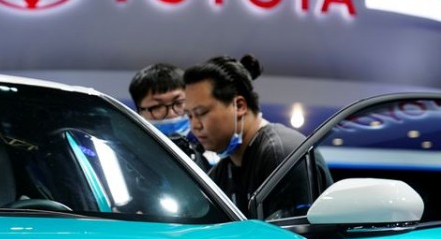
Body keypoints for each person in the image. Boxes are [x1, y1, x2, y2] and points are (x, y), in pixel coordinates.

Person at [182, 54, 308, 214]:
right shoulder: (220, 172)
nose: (194, 126)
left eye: (201, 112)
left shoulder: (281, 153)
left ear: (239, 106)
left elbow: (292, 237)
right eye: (189, 116)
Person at [128, 62, 212, 171]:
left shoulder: (214, 149)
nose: (171, 114)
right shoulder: (127, 156)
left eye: (179, 103)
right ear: (139, 112)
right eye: (157, 107)